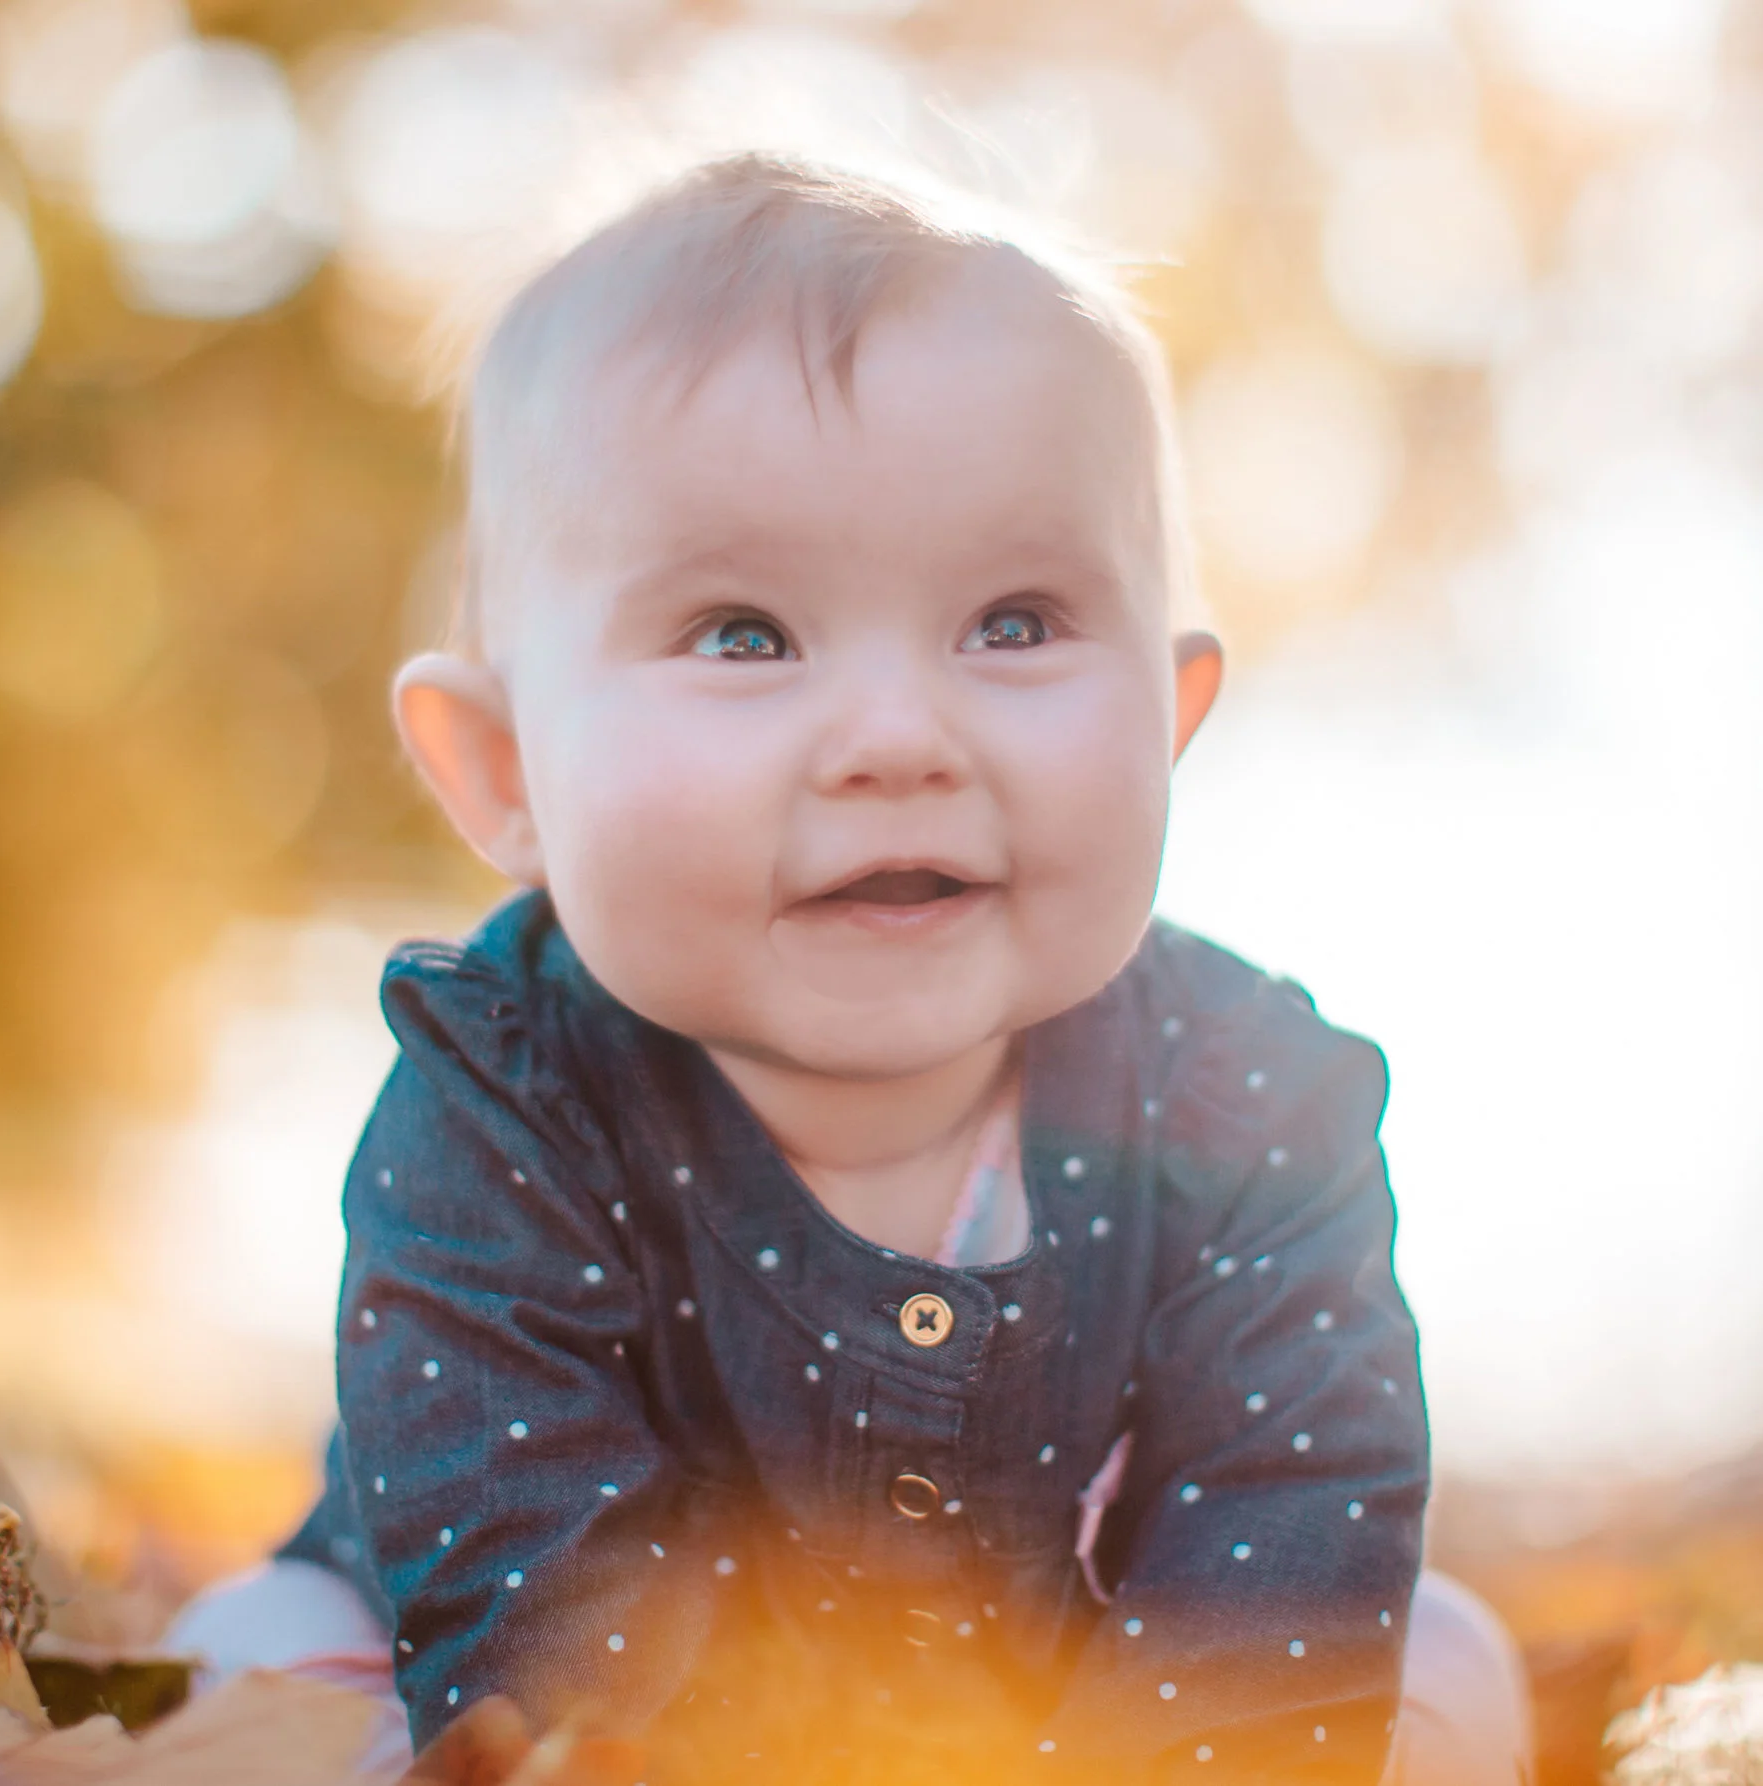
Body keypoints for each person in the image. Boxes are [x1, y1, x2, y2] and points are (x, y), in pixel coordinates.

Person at [170, 155, 1532, 1784]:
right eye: (744, 634)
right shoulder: (505, 1098)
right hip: (566, 1693)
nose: (898, 736)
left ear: (1167, 722)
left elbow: (1283, 1527)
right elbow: (524, 1576)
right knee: (253, 1661)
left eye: (1013, 622)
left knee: (1436, 1650)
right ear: (506, 770)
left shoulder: (1250, 1100)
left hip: (1072, 1704)